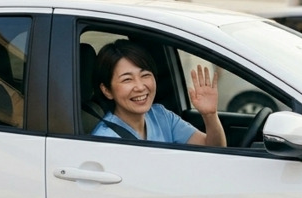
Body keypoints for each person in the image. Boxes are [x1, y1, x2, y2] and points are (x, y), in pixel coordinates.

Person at [91, 40, 226, 146]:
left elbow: (212, 148)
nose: (140, 87)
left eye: (145, 75)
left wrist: (209, 115)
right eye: (127, 79)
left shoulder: (161, 116)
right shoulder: (106, 139)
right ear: (107, 90)